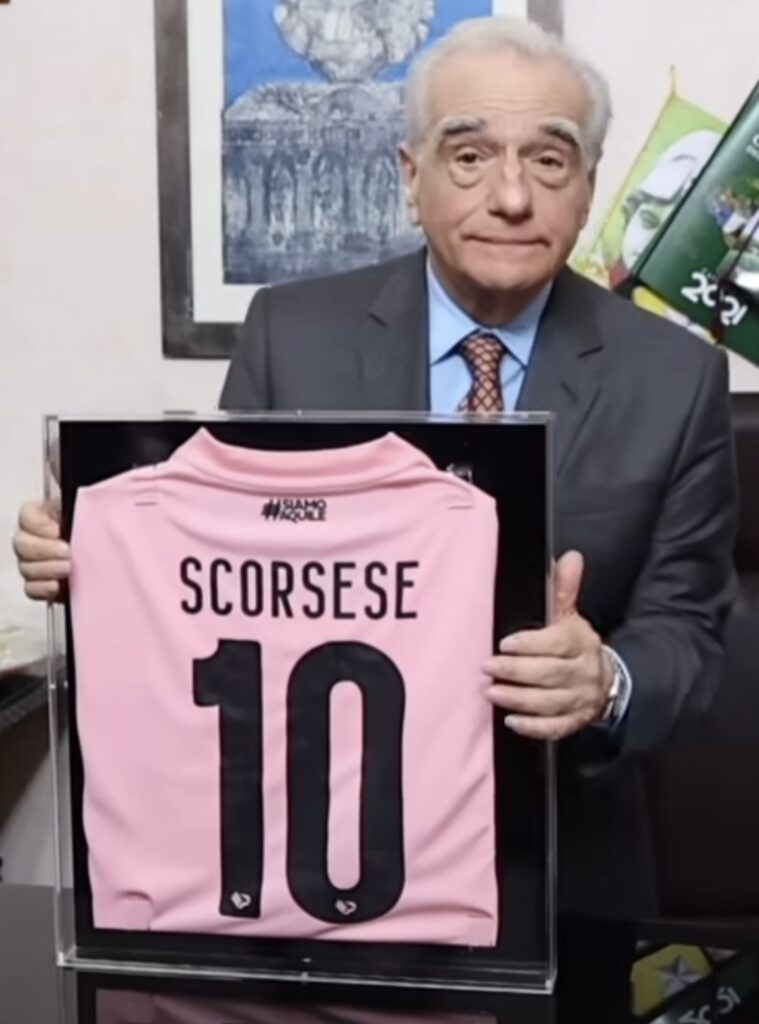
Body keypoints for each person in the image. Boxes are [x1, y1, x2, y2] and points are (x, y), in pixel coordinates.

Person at [12, 16, 738, 1021]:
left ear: (587, 182)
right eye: (469, 155)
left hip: (560, 884)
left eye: (548, 159)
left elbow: (688, 632)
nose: (511, 196)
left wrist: (604, 678)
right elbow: (213, 579)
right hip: (303, 876)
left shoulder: (677, 376)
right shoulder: (293, 335)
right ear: (410, 175)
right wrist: (93, 553)